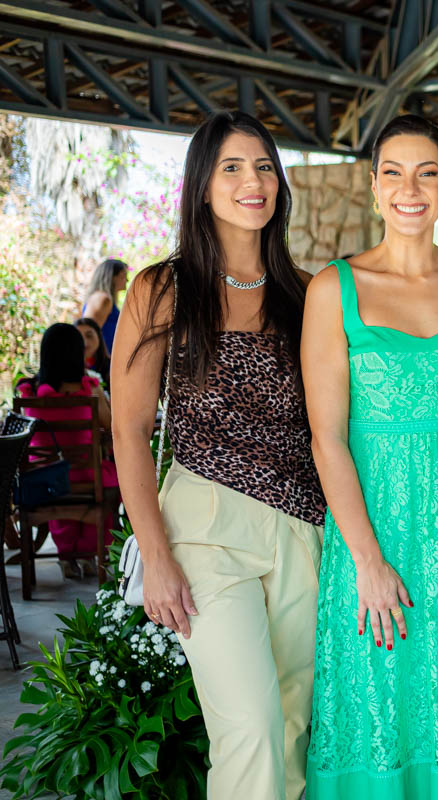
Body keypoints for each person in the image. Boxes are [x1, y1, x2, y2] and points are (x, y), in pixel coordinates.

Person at [111, 111, 324, 800]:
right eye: (232, 168)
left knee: (295, 727)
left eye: (263, 166)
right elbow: (129, 430)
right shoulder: (160, 290)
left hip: (302, 529)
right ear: (202, 185)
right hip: (203, 529)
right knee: (252, 727)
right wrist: (158, 557)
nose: (252, 181)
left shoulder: (307, 294)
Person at [302, 114, 438, 798]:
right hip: (376, 531)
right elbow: (325, 435)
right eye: (393, 172)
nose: (409, 188)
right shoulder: (334, 288)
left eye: (426, 173)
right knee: (377, 696)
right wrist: (367, 560)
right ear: (372, 185)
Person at [16, 323, 118, 579]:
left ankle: (67, 556)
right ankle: (87, 554)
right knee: (113, 479)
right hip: (88, 478)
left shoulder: (29, 394)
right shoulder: (90, 391)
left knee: (62, 477)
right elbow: (112, 425)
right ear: (77, 354)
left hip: (46, 480)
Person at [82, 258, 128, 352]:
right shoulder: (102, 298)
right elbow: (87, 332)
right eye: (123, 275)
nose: (127, 280)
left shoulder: (104, 298)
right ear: (113, 277)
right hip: (100, 362)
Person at [76, 317, 111, 384]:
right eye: (79, 337)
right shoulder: (67, 370)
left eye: (89, 336)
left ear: (99, 337)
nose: (84, 342)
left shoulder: (112, 366)